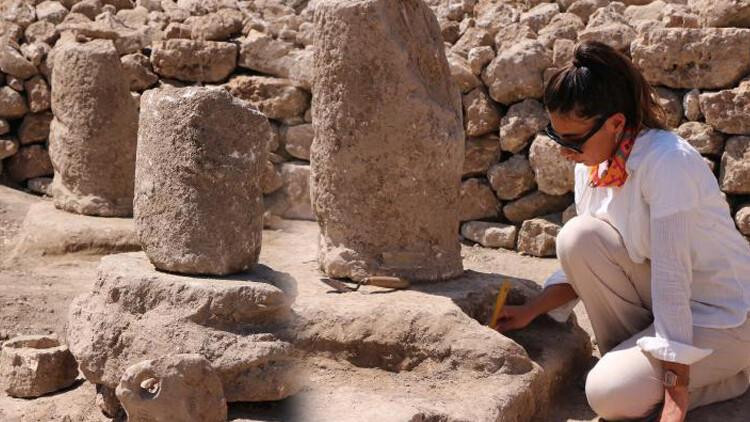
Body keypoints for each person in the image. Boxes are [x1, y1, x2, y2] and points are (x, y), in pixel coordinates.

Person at [493, 40, 750, 422]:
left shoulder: (667, 162)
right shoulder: (592, 167)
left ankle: (729, 376)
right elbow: (585, 259)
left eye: (573, 140)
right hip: (665, 306)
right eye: (556, 135)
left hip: (725, 316)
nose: (564, 150)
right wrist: (531, 310)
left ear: (616, 123)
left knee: (606, 395)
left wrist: (675, 395)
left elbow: (672, 277)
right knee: (577, 237)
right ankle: (639, 372)